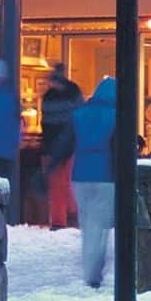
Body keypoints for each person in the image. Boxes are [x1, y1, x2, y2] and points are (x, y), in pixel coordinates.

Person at [70, 75, 116, 288]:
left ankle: (89, 270)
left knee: (87, 224)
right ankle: (94, 273)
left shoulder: (79, 115)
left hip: (80, 174)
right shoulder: (118, 115)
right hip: (105, 175)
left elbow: (66, 142)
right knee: (100, 225)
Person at [41, 62, 83, 230]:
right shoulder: (74, 91)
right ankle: (72, 216)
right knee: (69, 182)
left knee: (57, 184)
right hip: (71, 145)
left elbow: (46, 123)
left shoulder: (49, 96)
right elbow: (79, 117)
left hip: (53, 147)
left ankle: (60, 220)